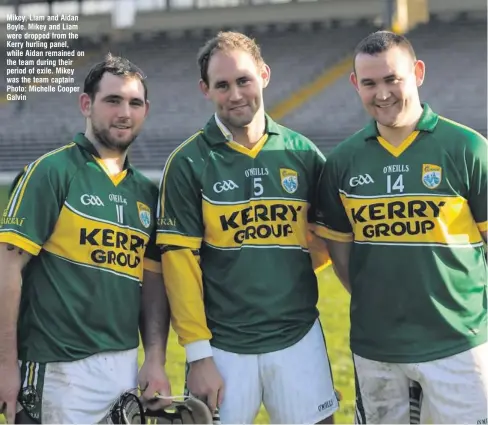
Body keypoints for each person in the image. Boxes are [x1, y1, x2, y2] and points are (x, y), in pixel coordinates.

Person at [155, 31, 339, 424]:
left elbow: (329, 241)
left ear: (264, 75)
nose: (235, 94)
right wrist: (198, 356)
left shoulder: (303, 154)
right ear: (205, 89)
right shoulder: (187, 162)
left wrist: (284, 276)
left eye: (243, 80)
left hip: (298, 336)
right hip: (222, 347)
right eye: (222, 85)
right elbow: (179, 267)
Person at [315, 30, 488, 424]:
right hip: (377, 348)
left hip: (458, 344)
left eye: (393, 79)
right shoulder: (343, 162)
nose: (382, 93)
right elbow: (341, 255)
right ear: (355, 84)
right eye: (370, 83)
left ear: (418, 72)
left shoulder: (467, 149)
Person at [0, 53, 172, 424]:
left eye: (134, 103)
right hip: (56, 370)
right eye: (112, 100)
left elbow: (153, 283)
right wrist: (4, 366)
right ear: (86, 104)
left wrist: (155, 359)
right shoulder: (51, 172)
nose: (124, 112)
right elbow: (6, 270)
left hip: (124, 370)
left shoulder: (147, 193)